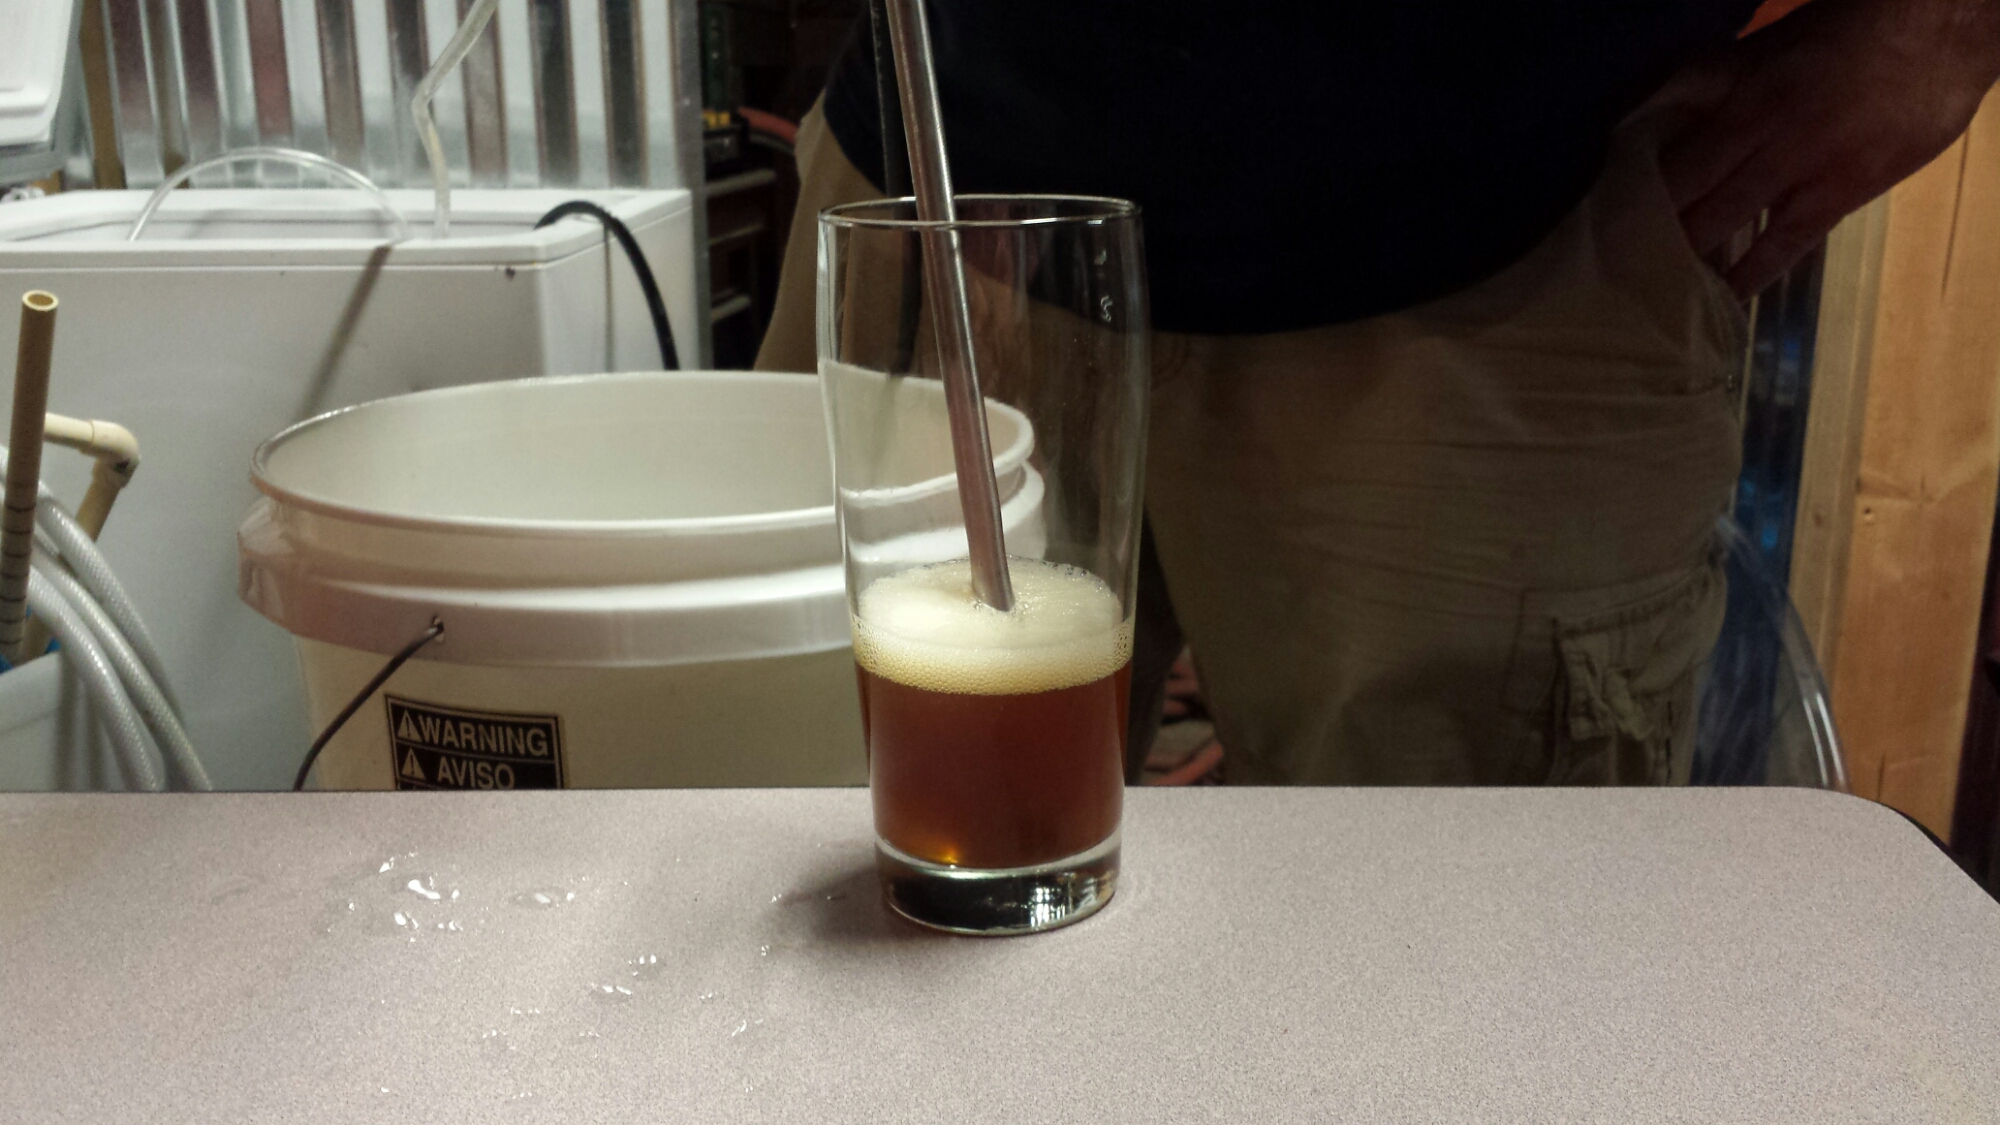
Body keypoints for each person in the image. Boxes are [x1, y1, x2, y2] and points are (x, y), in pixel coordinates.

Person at [757, 0, 2000, 786]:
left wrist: (1949, 22)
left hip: (1493, 225)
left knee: (1452, 1006)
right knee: (851, 914)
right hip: (936, 174)